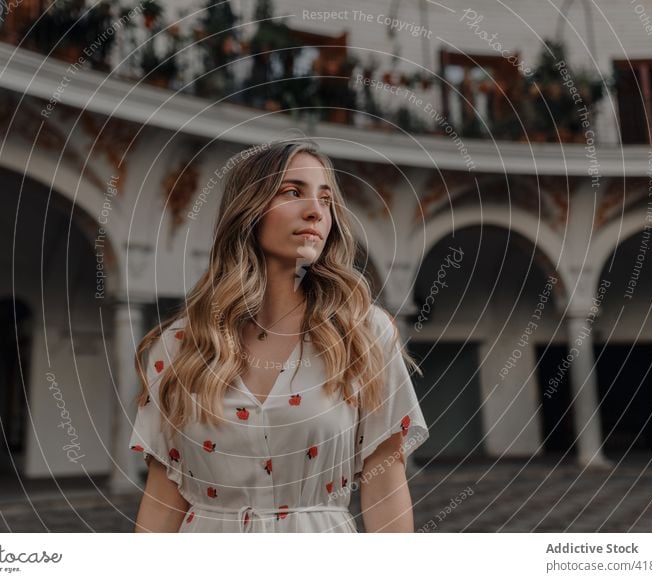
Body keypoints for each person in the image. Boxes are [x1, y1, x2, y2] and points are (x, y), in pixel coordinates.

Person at [129, 138, 428, 532]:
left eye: (325, 199)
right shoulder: (181, 345)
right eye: (292, 192)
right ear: (249, 212)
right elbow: (163, 498)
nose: (315, 212)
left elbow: (385, 482)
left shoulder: (364, 333)